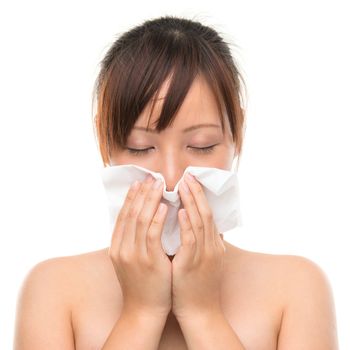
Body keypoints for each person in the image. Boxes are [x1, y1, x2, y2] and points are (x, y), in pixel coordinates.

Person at [13, 15, 338, 349]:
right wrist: (141, 312)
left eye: (201, 146)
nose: (171, 177)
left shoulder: (296, 290)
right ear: (103, 139)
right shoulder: (53, 291)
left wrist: (202, 313)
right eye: (140, 148)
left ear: (236, 132)